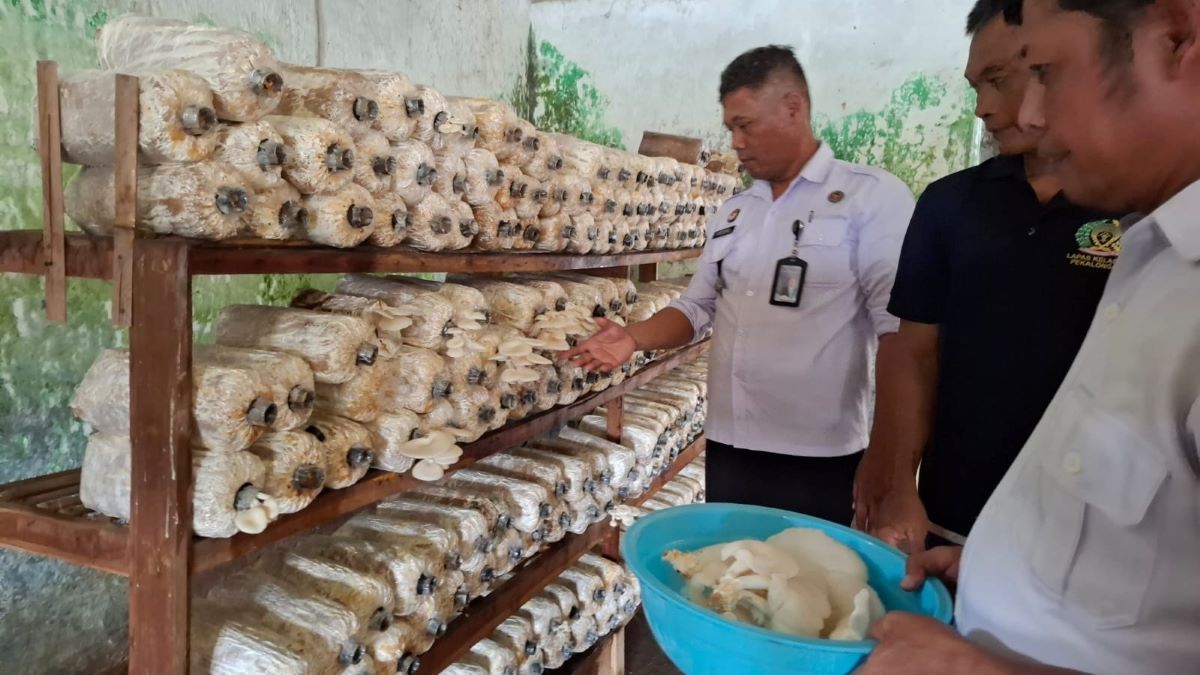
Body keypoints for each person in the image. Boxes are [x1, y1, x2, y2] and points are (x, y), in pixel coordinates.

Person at [862, 0, 1200, 673]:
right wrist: (1004, 571)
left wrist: (971, 666)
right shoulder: (1153, 252)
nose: (1030, 114)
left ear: (1175, 36)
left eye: (1045, 70)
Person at [563, 45, 915, 524]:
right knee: (729, 582)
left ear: (793, 108)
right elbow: (696, 307)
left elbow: (901, 336)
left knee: (811, 586)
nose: (736, 142)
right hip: (731, 446)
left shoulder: (869, 197)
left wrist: (891, 460)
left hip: (819, 455)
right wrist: (633, 338)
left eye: (745, 125)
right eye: (731, 128)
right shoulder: (735, 213)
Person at [852, 0, 1119, 552]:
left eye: (1000, 80)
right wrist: (901, 476)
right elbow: (913, 349)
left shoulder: (1134, 207)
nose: (982, 108)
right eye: (976, 86)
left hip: (1093, 538)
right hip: (955, 518)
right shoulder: (949, 204)